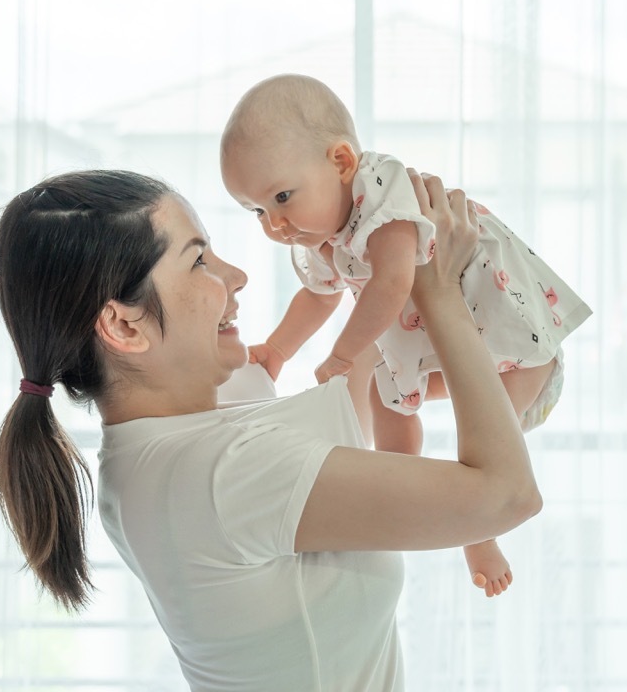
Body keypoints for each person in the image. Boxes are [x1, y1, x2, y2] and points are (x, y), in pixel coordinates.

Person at [0, 168, 540, 691]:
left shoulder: (177, 426)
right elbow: (507, 496)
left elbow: (350, 384)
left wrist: (385, 254)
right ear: (123, 324)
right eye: (199, 260)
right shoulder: (218, 473)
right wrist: (440, 294)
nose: (236, 276)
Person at [219, 74, 592, 596]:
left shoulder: (384, 193)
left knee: (484, 431)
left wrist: (344, 354)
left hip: (514, 340)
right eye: (257, 209)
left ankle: (477, 529)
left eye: (281, 197)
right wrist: (280, 348)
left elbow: (394, 283)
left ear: (342, 162)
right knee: (387, 403)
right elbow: (320, 296)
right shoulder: (318, 234)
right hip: (441, 343)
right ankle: (401, 490)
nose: (274, 224)